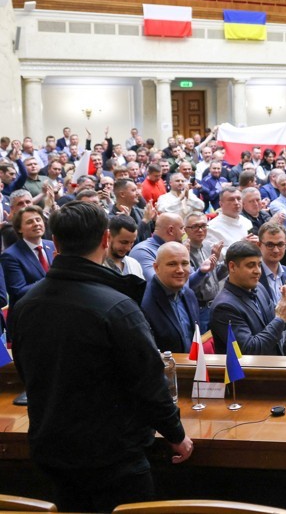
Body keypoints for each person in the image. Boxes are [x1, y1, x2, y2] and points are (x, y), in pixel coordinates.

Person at [8, 201, 192, 512]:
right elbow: (148, 381)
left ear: (57, 242)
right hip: (113, 459)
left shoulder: (26, 304)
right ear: (106, 240)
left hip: (51, 451)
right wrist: (176, 433)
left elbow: (26, 372)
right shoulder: (118, 307)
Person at [209, 240, 286, 355]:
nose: (258, 271)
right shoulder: (224, 307)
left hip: (274, 363)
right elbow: (250, 350)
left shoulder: (259, 288)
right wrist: (281, 318)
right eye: (250, 265)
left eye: (259, 265)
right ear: (232, 267)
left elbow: (273, 323)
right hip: (249, 371)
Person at [140, 242, 200, 354]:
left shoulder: (189, 295)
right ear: (156, 267)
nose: (180, 270)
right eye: (172, 264)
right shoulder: (143, 302)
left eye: (185, 263)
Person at [1, 205, 55, 307]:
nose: (36, 224)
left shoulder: (52, 245)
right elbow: (18, 291)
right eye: (30, 222)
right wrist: (53, 278)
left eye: (38, 220)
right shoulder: (10, 256)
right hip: (29, 313)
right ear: (19, 229)